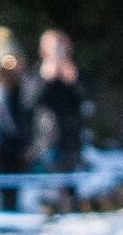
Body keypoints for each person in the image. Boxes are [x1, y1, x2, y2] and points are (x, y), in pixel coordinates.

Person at [0, 49, 35, 211]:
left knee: (14, 190)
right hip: (2, 146)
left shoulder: (21, 88)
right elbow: (5, 122)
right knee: (5, 190)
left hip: (16, 146)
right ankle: (6, 225)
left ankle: (11, 221)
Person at [31, 27, 88, 175]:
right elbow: (30, 104)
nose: (58, 53)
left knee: (69, 191)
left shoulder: (75, 74)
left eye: (62, 48)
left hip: (71, 142)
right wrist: (47, 79)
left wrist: (73, 81)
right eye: (54, 48)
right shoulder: (36, 74)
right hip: (45, 143)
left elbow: (87, 100)